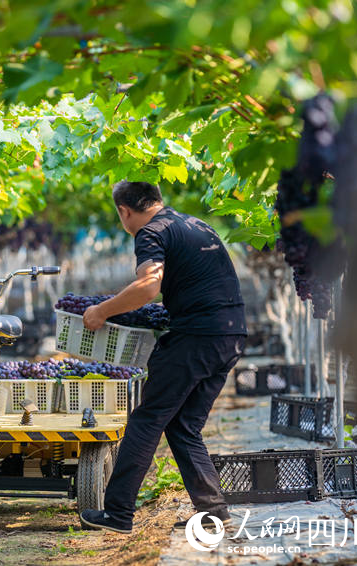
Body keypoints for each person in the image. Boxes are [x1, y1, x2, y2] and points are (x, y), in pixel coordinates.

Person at [79, 181, 246, 534]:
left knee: (147, 420)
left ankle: (118, 514)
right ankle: (215, 512)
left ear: (124, 211)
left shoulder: (151, 231)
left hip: (196, 338)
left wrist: (102, 311)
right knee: (184, 426)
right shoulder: (195, 225)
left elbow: (148, 285)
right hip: (230, 335)